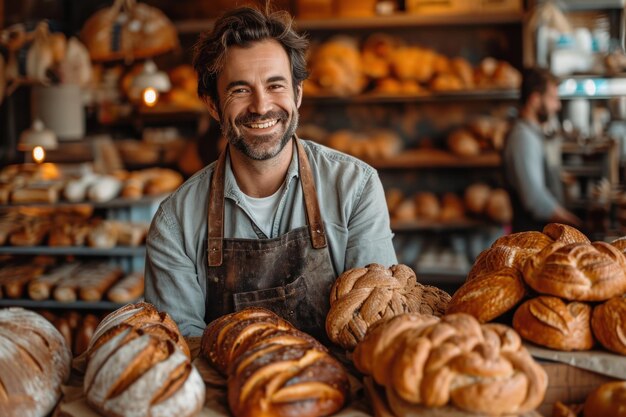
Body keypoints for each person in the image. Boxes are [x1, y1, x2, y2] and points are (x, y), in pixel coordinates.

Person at [144, 6, 397, 338]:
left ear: (298, 94)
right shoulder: (175, 221)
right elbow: (179, 347)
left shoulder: (354, 187)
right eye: (240, 90)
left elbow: (376, 325)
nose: (261, 106)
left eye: (276, 86)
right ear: (212, 104)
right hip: (229, 387)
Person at [503, 67, 582, 232]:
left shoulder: (534, 133)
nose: (558, 106)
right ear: (534, 99)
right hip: (532, 238)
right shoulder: (522, 137)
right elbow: (535, 200)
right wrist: (575, 225)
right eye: (553, 98)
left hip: (544, 234)